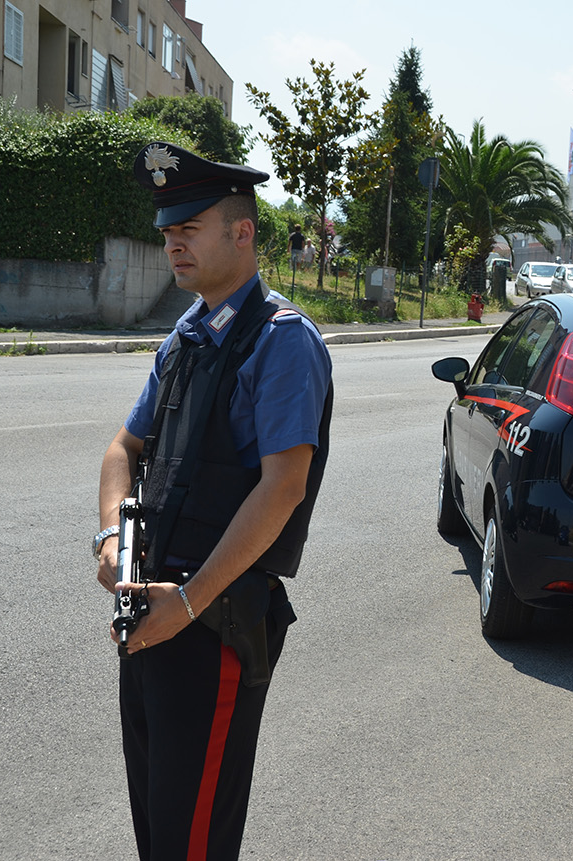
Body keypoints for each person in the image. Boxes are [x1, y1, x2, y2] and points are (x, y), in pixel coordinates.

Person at [95, 141, 333, 861]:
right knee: (160, 832)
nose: (172, 243)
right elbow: (121, 450)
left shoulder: (283, 343)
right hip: (153, 617)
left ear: (242, 231)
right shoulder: (186, 335)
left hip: (213, 624)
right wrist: (111, 539)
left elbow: (283, 486)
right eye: (168, 232)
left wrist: (189, 603)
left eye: (188, 227)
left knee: (191, 842)